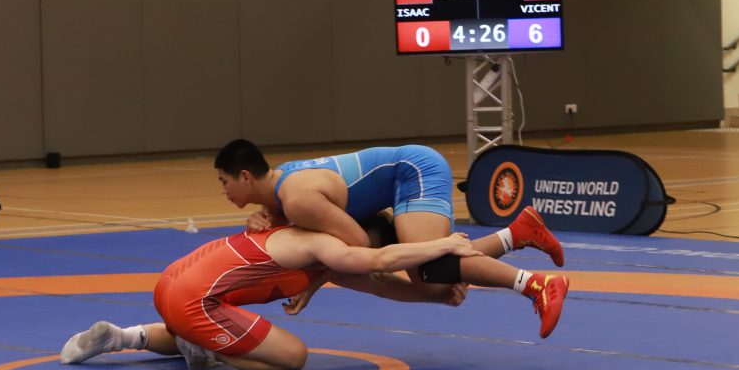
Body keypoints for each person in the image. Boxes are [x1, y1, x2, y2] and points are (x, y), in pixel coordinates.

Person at [61, 213, 571, 370]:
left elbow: (385, 286)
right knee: (292, 358)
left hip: (174, 285)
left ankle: (123, 337)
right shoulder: (323, 245)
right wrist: (441, 242)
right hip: (196, 304)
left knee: (429, 274)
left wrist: (437, 298)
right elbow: (380, 264)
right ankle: (206, 351)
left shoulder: (317, 252)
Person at [212, 139, 567, 337]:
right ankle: (518, 233)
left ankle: (536, 284)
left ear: (245, 177)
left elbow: (357, 243)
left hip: (413, 171)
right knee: (428, 274)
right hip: (395, 185)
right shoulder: (281, 192)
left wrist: (313, 283)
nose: (223, 191)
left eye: (224, 182)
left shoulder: (295, 200)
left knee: (429, 266)